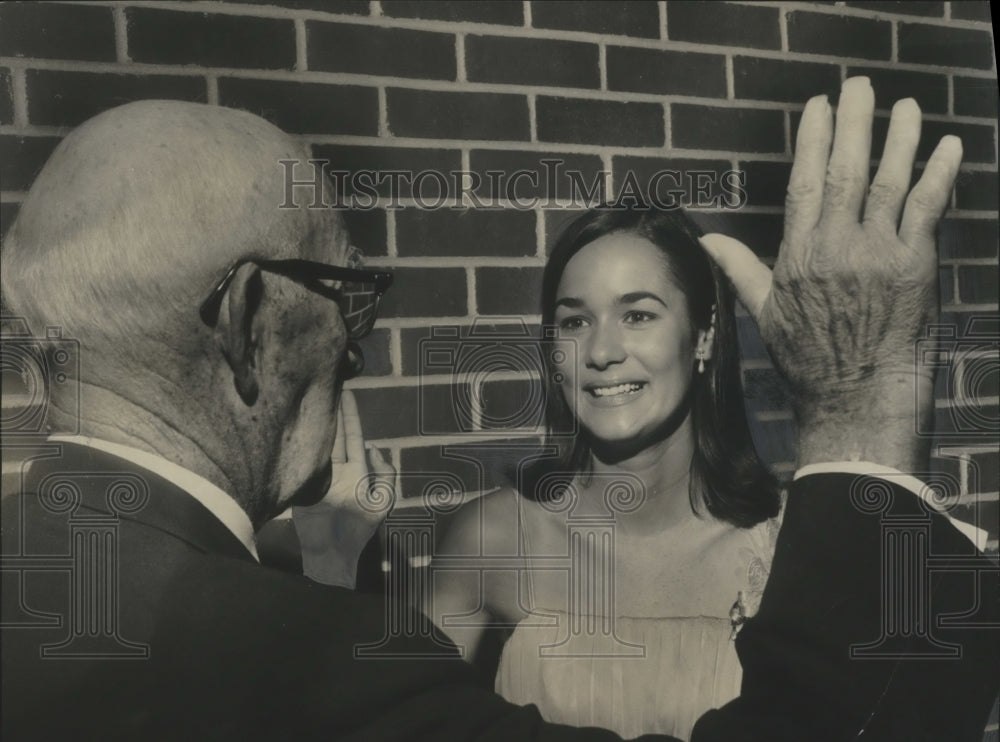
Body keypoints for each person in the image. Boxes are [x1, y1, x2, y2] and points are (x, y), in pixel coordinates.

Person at [0, 78, 996, 742]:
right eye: (351, 298)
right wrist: (864, 409)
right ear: (255, 321)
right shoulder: (308, 651)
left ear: (703, 338)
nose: (361, 343)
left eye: (638, 314)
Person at [429, 202, 786, 739]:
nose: (600, 351)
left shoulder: (786, 541)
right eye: (575, 321)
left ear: (704, 335)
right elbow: (393, 720)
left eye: (637, 315)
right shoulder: (495, 539)